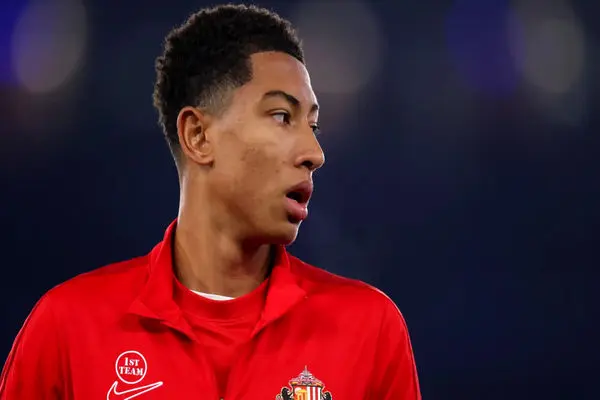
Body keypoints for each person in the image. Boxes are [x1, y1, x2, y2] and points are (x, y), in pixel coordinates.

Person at [0, 4, 421, 399]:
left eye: (313, 126)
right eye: (281, 117)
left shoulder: (370, 329)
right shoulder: (66, 327)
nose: (315, 152)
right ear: (198, 136)